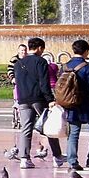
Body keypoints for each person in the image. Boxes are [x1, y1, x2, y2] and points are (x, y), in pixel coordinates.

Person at [56, 38, 89, 172]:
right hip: (88, 105)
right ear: (86, 51)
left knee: (73, 134)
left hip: (70, 105)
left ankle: (72, 162)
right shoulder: (87, 67)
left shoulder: (64, 67)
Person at [10, 37, 54, 167]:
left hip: (23, 99)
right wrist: (50, 99)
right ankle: (57, 156)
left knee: (26, 128)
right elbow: (44, 82)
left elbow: (18, 81)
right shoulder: (41, 61)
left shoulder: (18, 63)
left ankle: (24, 158)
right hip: (38, 98)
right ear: (40, 48)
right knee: (49, 126)